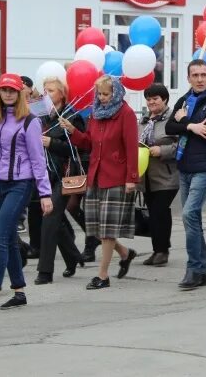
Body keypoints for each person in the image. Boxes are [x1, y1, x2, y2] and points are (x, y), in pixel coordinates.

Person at [0, 73, 52, 310]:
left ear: (19, 94)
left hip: (20, 184)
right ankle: (19, 291)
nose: (7, 94)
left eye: (12, 90)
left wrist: (45, 194)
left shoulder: (30, 121)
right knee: (10, 240)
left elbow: (38, 160)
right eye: (4, 90)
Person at [59, 75, 139, 290]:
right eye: (100, 94)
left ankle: (102, 276)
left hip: (117, 176)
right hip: (96, 175)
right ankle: (124, 253)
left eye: (106, 94)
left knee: (107, 229)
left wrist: (132, 178)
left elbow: (132, 147)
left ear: (116, 93)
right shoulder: (95, 113)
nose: (102, 98)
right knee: (98, 227)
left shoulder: (127, 114)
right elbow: (89, 142)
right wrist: (73, 131)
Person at [165, 59, 206, 290]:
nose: (200, 79)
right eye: (195, 75)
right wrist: (191, 126)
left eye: (204, 75)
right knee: (193, 219)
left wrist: (185, 122)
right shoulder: (183, 100)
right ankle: (201, 272)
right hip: (185, 165)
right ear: (188, 77)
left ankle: (193, 269)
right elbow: (170, 127)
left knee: (190, 215)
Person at [34, 77, 86, 285]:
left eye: (52, 90)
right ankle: (73, 256)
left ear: (62, 94)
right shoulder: (39, 115)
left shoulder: (71, 115)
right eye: (45, 90)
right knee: (55, 218)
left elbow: (79, 148)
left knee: (50, 215)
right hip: (44, 174)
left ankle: (45, 271)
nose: (47, 94)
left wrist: (52, 143)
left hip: (66, 174)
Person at [139, 83, 179, 267]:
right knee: (154, 214)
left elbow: (181, 145)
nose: (151, 102)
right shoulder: (145, 120)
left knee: (159, 212)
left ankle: (162, 251)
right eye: (148, 99)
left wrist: (161, 150)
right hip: (146, 176)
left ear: (164, 99)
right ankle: (158, 250)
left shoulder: (173, 119)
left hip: (167, 175)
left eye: (155, 98)